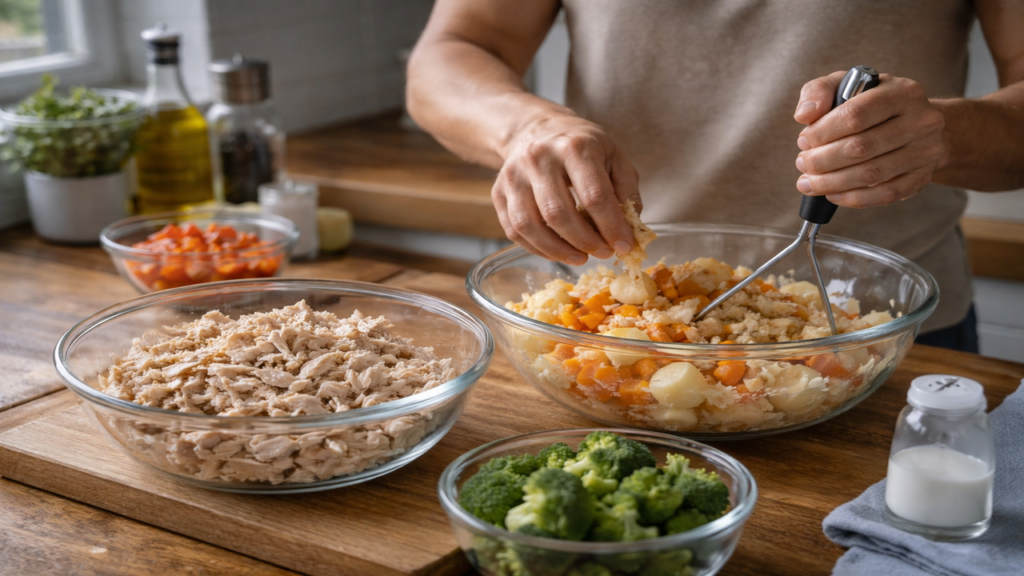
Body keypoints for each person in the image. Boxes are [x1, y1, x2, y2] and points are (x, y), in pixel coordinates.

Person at [406, 1, 1024, 353]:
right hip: (610, 326)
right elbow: (450, 51)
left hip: (887, 329)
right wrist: (526, 129)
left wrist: (944, 134)